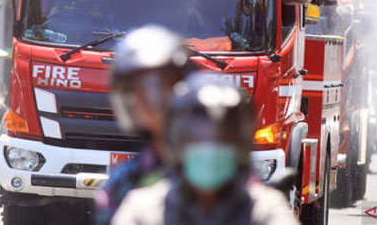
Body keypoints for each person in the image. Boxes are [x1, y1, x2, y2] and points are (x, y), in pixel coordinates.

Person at [111, 74, 299, 225]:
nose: (209, 150)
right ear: (176, 145)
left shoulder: (266, 209)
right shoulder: (143, 210)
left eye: (222, 139)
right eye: (197, 140)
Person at [94, 25, 191, 225]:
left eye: (166, 84)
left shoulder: (218, 169)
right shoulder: (122, 183)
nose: (155, 98)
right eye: (142, 89)